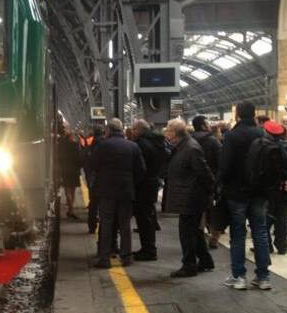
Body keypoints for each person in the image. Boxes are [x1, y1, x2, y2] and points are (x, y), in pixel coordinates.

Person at [221, 102, 270, 290]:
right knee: (260, 232)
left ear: (238, 115)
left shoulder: (232, 135)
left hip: (237, 191)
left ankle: (239, 277)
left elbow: (225, 165)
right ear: (254, 114)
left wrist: (220, 184)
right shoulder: (263, 134)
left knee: (238, 234)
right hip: (259, 191)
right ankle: (263, 277)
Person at [90, 118, 146, 268]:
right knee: (125, 224)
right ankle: (126, 257)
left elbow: (92, 164)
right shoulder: (133, 146)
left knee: (106, 223)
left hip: (106, 191)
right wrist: (131, 183)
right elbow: (141, 170)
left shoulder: (103, 146)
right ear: (121, 130)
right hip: (126, 190)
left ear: (108, 130)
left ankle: (105, 258)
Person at [164, 119, 215, 277]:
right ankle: (205, 261)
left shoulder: (190, 148)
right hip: (188, 195)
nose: (166, 133)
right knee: (195, 232)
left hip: (191, 197)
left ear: (174, 132)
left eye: (168, 131)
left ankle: (189, 265)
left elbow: (203, 172)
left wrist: (211, 191)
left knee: (186, 233)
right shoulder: (182, 146)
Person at [250, 120, 287, 255]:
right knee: (282, 218)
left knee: (265, 219)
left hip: (267, 190)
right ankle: (282, 245)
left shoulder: (262, 147)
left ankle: (265, 245)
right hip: (284, 189)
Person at [131, 119, 169, 261]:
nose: (132, 131)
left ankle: (148, 251)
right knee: (148, 217)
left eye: (134, 129)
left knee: (144, 219)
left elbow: (140, 168)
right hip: (153, 182)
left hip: (143, 186)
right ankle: (148, 248)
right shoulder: (157, 141)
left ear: (140, 130)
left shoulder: (141, 144)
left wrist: (135, 182)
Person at [191, 115, 223, 249]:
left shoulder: (189, 140)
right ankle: (214, 238)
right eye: (207, 123)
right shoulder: (213, 141)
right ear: (203, 126)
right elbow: (221, 162)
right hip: (211, 181)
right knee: (213, 211)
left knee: (196, 212)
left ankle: (197, 237)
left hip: (193, 182)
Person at [59, 130, 82, 219]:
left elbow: (60, 158)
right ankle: (71, 209)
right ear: (71, 137)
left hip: (65, 170)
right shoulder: (75, 145)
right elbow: (79, 158)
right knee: (72, 191)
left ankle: (70, 209)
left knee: (67, 190)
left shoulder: (63, 147)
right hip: (74, 170)